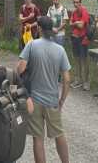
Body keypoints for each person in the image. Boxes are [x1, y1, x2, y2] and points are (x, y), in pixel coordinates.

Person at [18, 16, 71, 163]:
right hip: (53, 100)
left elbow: (20, 68)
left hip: (34, 99)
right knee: (59, 134)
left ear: (40, 28)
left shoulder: (31, 45)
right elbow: (67, 79)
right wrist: (61, 100)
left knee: (38, 138)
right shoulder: (60, 50)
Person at [69, 0, 90, 90]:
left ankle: (86, 82)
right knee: (76, 60)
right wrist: (76, 22)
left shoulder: (84, 11)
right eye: (74, 2)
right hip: (75, 38)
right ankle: (78, 79)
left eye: (77, 2)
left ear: (80, 3)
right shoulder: (74, 12)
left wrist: (75, 23)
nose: (75, 4)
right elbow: (70, 24)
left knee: (84, 60)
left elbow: (81, 26)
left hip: (83, 38)